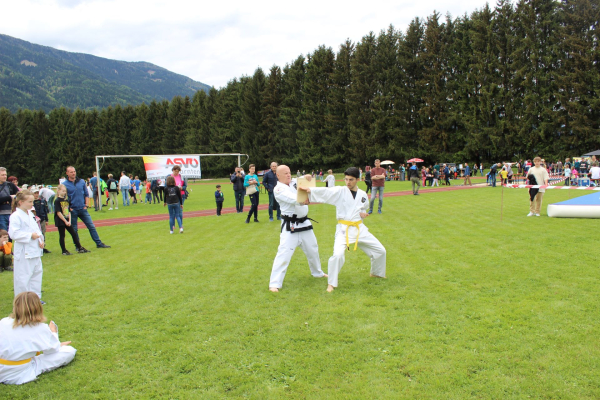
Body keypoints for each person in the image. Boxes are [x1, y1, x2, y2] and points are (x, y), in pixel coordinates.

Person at [300, 167, 386, 292]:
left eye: (351, 180)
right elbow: (326, 192)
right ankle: (331, 284)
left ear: (358, 179)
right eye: (346, 179)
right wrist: (310, 190)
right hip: (343, 229)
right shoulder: (340, 191)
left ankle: (376, 273)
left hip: (359, 228)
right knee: (338, 255)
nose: (348, 182)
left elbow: (363, 207)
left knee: (380, 250)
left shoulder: (362, 195)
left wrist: (363, 213)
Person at [268, 165, 327, 292]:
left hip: (304, 223)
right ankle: (275, 283)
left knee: (313, 249)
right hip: (290, 226)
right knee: (284, 253)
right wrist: (304, 200)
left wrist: (307, 177)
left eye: (289, 172)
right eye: (285, 173)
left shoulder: (294, 182)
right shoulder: (278, 189)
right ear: (278, 175)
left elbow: (302, 180)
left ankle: (317, 273)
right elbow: (294, 199)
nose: (288, 175)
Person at [0, 292, 77, 385]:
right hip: (20, 373)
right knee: (69, 351)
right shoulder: (39, 327)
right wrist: (53, 333)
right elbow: (52, 351)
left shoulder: (4, 322)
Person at [8, 191, 45, 302]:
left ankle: (35, 299)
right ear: (21, 202)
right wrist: (30, 236)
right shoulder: (16, 216)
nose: (31, 204)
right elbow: (13, 233)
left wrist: (40, 239)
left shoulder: (30, 214)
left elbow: (36, 229)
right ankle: (22, 301)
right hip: (24, 251)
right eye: (29, 202)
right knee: (23, 278)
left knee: (36, 275)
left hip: (35, 250)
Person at [63, 166, 110, 249]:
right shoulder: (64, 184)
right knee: (74, 229)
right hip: (72, 210)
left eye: (74, 171)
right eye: (71, 172)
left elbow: (86, 194)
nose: (73, 173)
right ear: (67, 173)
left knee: (91, 226)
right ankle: (78, 246)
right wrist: (68, 209)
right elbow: (63, 198)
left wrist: (86, 205)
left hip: (82, 208)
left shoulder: (81, 182)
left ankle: (99, 243)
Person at [54, 184, 88, 256]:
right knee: (62, 235)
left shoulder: (66, 200)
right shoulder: (57, 201)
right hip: (61, 220)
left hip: (67, 219)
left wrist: (69, 221)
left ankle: (79, 247)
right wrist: (65, 221)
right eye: (63, 191)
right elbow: (58, 212)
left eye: (65, 191)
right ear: (58, 191)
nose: (64, 192)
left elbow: (68, 211)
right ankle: (64, 250)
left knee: (73, 233)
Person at [0, 167, 19, 232]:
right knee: (3, 234)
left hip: (10, 212)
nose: (4, 176)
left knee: (11, 233)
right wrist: (9, 197)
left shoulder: (10, 185)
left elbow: (19, 195)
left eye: (5, 175)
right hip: (0, 214)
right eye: (2, 175)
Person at [32, 188, 51, 254]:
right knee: (36, 233)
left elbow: (45, 210)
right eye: (35, 193)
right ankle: (36, 247)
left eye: (37, 193)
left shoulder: (42, 201)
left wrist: (46, 219)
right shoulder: (31, 202)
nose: (36, 195)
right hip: (35, 220)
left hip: (42, 219)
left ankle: (42, 246)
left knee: (42, 233)